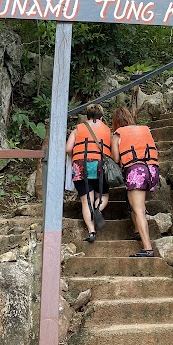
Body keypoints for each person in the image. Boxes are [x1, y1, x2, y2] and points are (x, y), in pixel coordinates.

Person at [111, 107, 159, 258]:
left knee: (139, 210)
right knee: (133, 203)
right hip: (152, 170)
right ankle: (138, 231)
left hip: (136, 171)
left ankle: (147, 248)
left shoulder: (118, 134)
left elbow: (116, 158)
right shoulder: (145, 129)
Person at [65, 104, 111, 243]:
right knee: (103, 195)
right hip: (100, 165)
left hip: (81, 165)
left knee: (86, 201)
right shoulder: (107, 130)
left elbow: (68, 149)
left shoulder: (77, 129)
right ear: (101, 117)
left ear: (87, 117)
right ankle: (97, 209)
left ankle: (91, 232)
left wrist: (76, 157)